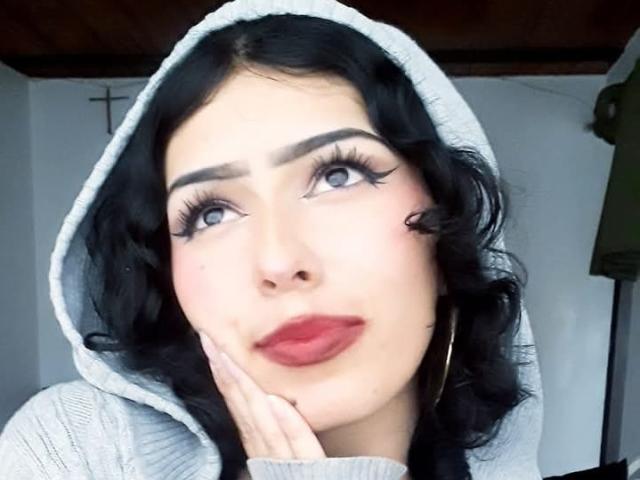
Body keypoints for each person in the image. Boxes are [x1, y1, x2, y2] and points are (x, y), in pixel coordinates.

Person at [0, 0, 544, 478]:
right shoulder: (80, 449)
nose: (279, 260)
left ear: (446, 226)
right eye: (211, 213)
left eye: (337, 176)